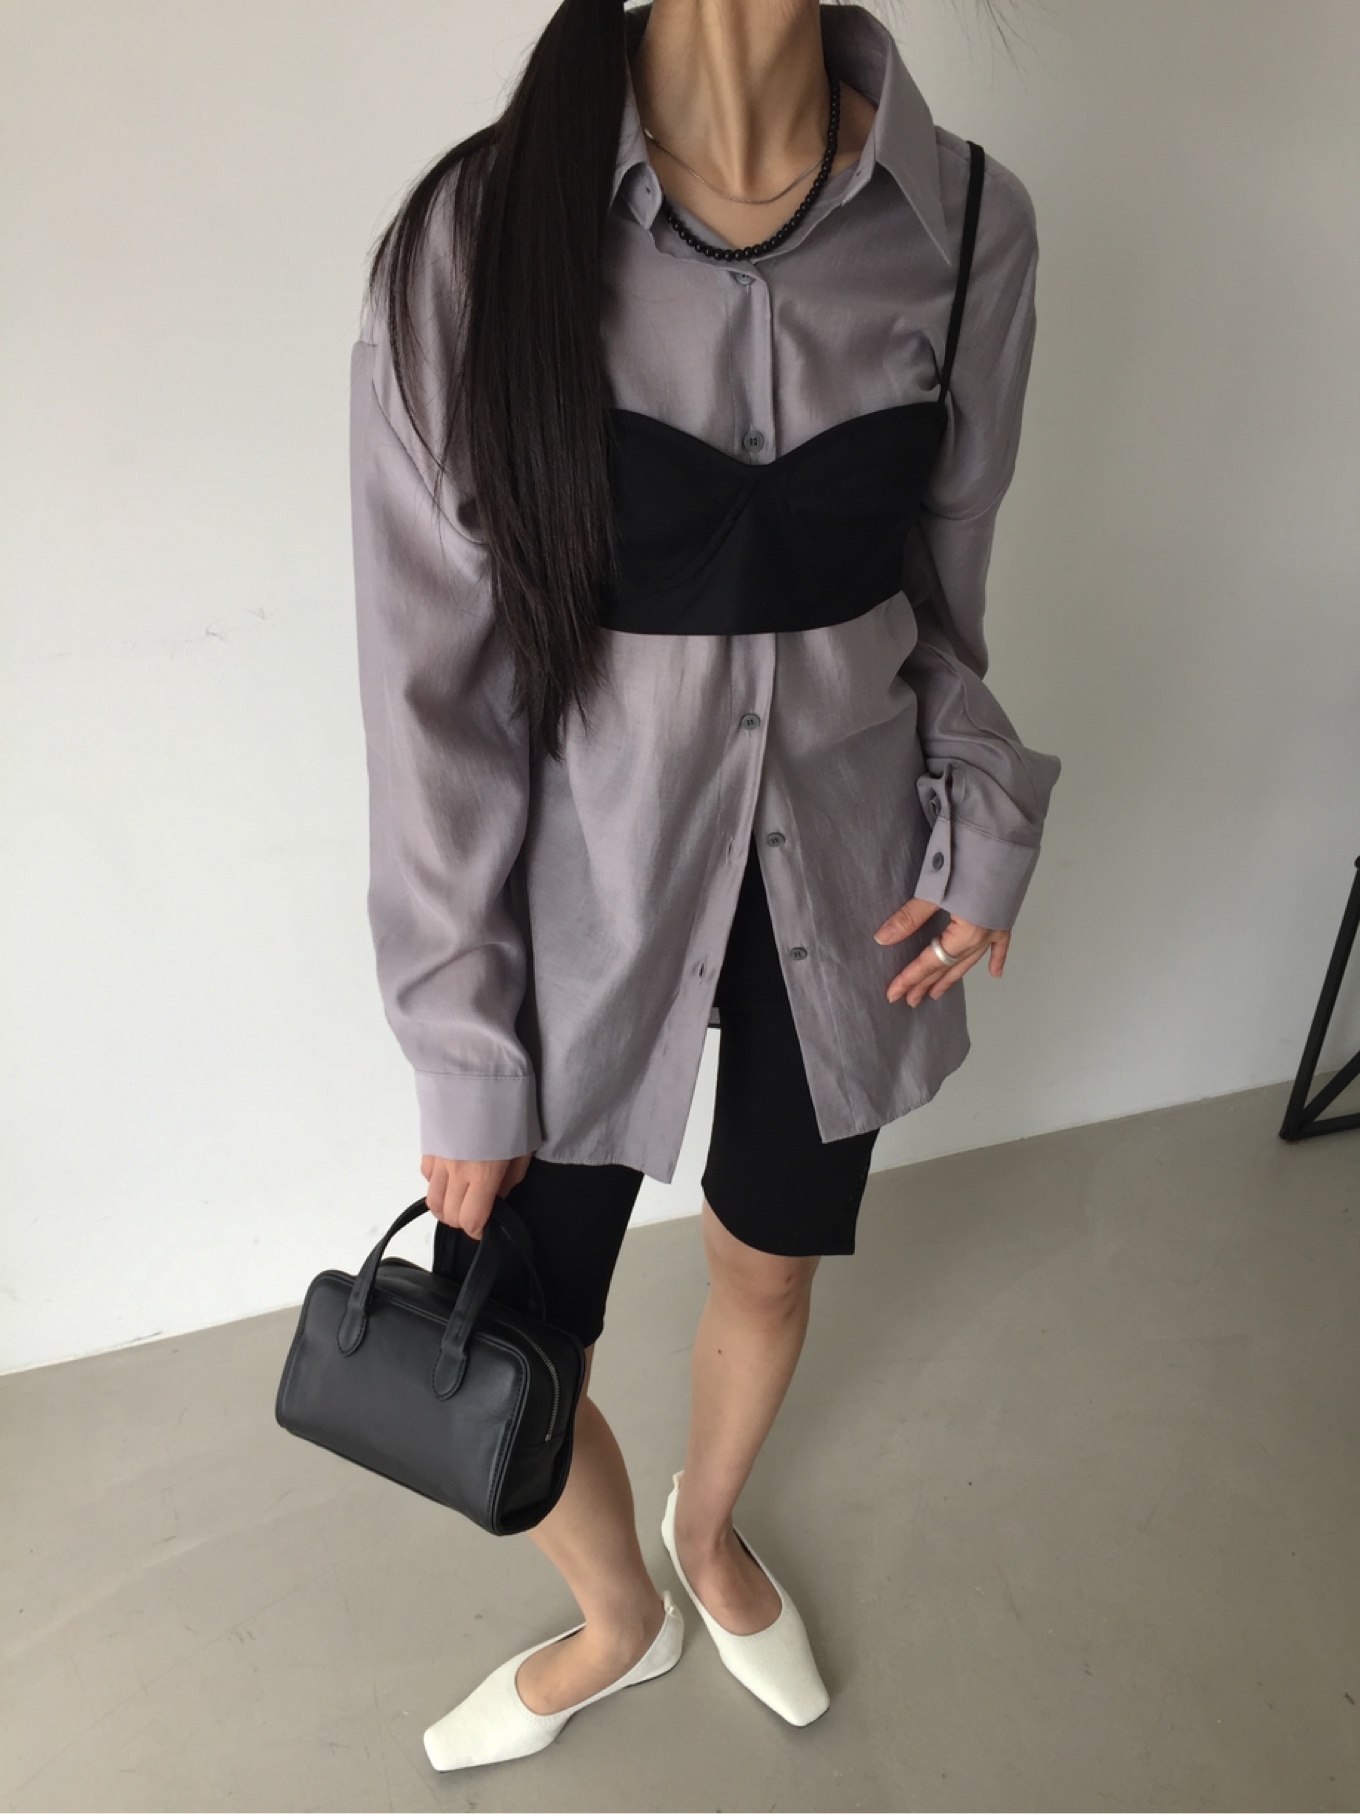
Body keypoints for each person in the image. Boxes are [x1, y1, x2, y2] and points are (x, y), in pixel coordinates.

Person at [349, 0, 1061, 1772]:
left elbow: (940, 614)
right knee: (508, 1342)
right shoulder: (474, 243)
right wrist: (461, 1042)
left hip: (852, 888)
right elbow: (430, 700)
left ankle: (709, 1524)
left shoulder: (972, 227)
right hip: (580, 913)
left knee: (769, 1269)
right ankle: (620, 1617)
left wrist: (984, 821)